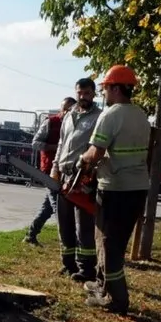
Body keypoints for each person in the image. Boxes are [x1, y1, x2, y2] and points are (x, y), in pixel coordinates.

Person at [80, 65, 151, 315]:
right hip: (136, 187)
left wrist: (81, 160)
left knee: (110, 244)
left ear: (116, 88)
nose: (104, 93)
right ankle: (102, 285)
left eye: (107, 88)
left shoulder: (111, 114)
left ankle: (117, 299)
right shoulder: (141, 115)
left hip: (117, 188)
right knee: (107, 239)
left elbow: (95, 151)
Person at [51, 80, 101, 279]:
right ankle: (68, 264)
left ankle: (86, 268)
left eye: (87, 93)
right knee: (65, 224)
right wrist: (55, 168)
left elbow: (98, 147)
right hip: (64, 175)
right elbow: (62, 143)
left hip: (83, 177)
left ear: (94, 94)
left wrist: (90, 173)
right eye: (80, 93)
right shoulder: (69, 116)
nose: (83, 97)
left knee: (84, 227)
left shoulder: (99, 117)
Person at [25, 97, 77, 245]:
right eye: (64, 109)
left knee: (47, 207)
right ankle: (67, 242)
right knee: (58, 206)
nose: (66, 112)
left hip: (67, 170)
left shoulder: (76, 123)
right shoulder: (50, 122)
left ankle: (31, 235)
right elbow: (35, 143)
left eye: (70, 109)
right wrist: (55, 147)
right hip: (50, 170)